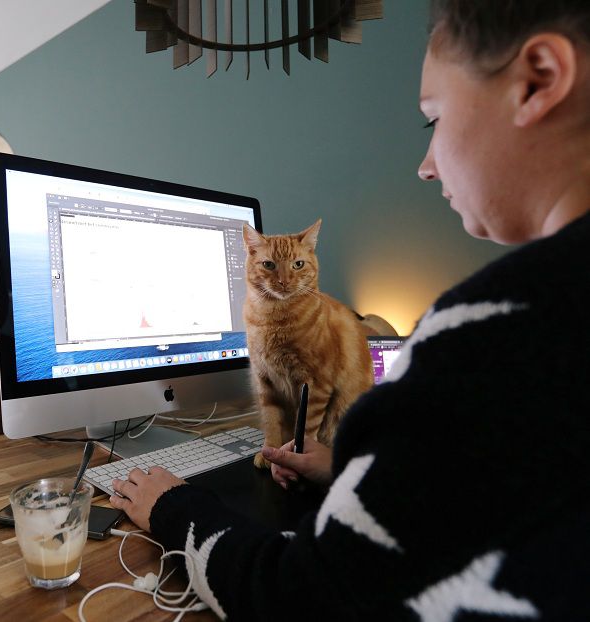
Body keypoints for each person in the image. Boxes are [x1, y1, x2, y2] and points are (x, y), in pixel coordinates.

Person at [109, 1, 590, 619]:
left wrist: (173, 506)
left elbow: (301, 598)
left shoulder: (500, 330)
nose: (425, 166)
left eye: (432, 121)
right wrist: (356, 475)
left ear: (539, 79)